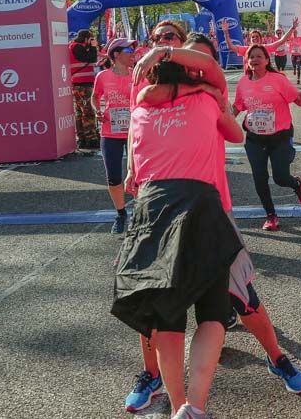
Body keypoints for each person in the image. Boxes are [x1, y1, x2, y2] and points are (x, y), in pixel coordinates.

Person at [113, 39, 242, 419]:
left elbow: (135, 170)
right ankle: (195, 406)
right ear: (189, 75)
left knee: (166, 319)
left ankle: (175, 405)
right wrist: (204, 88)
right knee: (213, 312)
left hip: (153, 210)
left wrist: (163, 66)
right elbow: (236, 133)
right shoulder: (204, 101)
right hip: (201, 205)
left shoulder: (139, 111)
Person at [232, 44, 301, 231]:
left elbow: (298, 101)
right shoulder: (243, 82)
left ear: (267, 60)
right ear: (247, 61)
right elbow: (237, 107)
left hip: (280, 137)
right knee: (259, 178)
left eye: (259, 56)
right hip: (255, 138)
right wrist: (222, 121)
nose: (255, 59)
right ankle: (271, 215)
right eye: (251, 57)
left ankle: (297, 184)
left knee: (280, 177)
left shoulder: (277, 79)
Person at [92, 37, 137, 234]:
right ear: (116, 54)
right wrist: (97, 110)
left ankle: (140, 212)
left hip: (135, 132)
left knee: (140, 174)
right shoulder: (102, 76)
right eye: (129, 51)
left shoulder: (137, 75)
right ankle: (120, 214)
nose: (133, 54)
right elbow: (95, 96)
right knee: (113, 176)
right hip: (110, 132)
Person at [69, 29, 100, 150]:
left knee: (81, 112)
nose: (92, 42)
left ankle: (82, 138)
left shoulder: (75, 46)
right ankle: (90, 138)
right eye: (91, 39)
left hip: (80, 84)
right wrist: (93, 47)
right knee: (87, 112)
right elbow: (91, 58)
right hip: (82, 84)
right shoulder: (76, 47)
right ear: (86, 38)